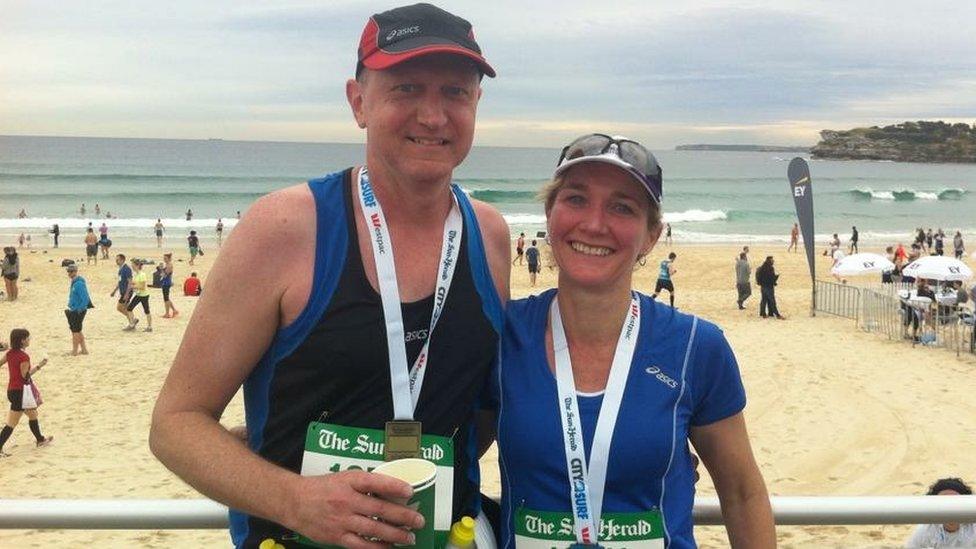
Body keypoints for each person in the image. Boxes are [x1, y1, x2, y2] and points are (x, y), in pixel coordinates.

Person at [149, 5, 510, 547]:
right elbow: (175, 425)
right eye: (407, 88)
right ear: (358, 101)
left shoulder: (489, 234)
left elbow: (478, 408)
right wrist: (296, 499)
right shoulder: (285, 227)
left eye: (455, 92)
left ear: (476, 103)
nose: (433, 116)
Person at [495, 133, 774, 548]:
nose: (593, 223)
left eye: (622, 207)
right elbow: (450, 456)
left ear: (651, 235)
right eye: (575, 199)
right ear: (549, 214)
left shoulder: (697, 346)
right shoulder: (503, 336)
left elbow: (741, 492)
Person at [0, 329, 53, 457]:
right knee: (11, 423)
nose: (29, 340)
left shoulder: (10, 354)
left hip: (12, 390)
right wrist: (40, 365)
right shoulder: (24, 357)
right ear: (22, 340)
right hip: (21, 393)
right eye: (28, 338)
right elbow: (25, 376)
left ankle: (40, 440)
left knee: (33, 414)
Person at [905, 477, 976, 547]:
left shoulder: (973, 526)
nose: (949, 508)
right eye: (943, 503)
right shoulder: (926, 529)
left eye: (955, 502)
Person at [65, 264, 91, 355]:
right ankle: (84, 349)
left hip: (78, 310)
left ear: (76, 272)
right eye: (68, 271)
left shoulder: (78, 283)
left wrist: (79, 309)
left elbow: (85, 298)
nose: (69, 273)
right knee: (78, 330)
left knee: (75, 331)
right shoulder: (75, 282)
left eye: (71, 271)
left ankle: (75, 351)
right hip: (74, 309)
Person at [124, 259, 153, 333]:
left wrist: (132, 287)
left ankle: (149, 327)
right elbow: (135, 284)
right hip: (138, 294)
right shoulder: (136, 275)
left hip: (144, 295)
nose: (132, 267)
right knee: (129, 308)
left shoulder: (142, 275)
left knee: (146, 311)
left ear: (137, 266)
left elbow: (143, 287)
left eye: (133, 265)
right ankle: (132, 325)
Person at [110, 254, 133, 326]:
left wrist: (126, 294)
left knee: (120, 307)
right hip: (123, 291)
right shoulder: (121, 269)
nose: (116, 261)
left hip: (127, 292)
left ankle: (133, 320)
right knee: (126, 308)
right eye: (116, 260)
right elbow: (120, 282)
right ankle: (131, 322)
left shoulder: (127, 269)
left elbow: (130, 282)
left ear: (122, 260)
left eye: (118, 260)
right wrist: (114, 291)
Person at [161, 253, 179, 318]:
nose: (164, 259)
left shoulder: (169, 265)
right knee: (166, 298)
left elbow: (164, 275)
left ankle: (167, 313)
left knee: (166, 299)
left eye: (165, 258)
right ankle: (174, 310)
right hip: (165, 282)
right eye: (164, 258)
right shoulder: (167, 264)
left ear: (168, 259)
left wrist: (161, 270)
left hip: (167, 283)